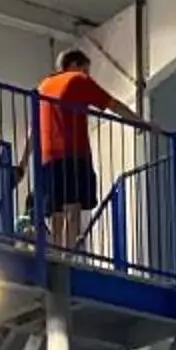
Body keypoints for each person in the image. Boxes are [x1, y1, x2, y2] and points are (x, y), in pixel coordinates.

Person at [34, 46, 147, 254]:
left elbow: (34, 129)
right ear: (75, 66)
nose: (88, 75)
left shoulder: (44, 86)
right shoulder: (78, 80)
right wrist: (141, 123)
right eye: (87, 69)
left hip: (47, 157)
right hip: (73, 152)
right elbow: (114, 105)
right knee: (73, 208)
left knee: (55, 211)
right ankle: (67, 254)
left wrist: (24, 164)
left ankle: (53, 253)